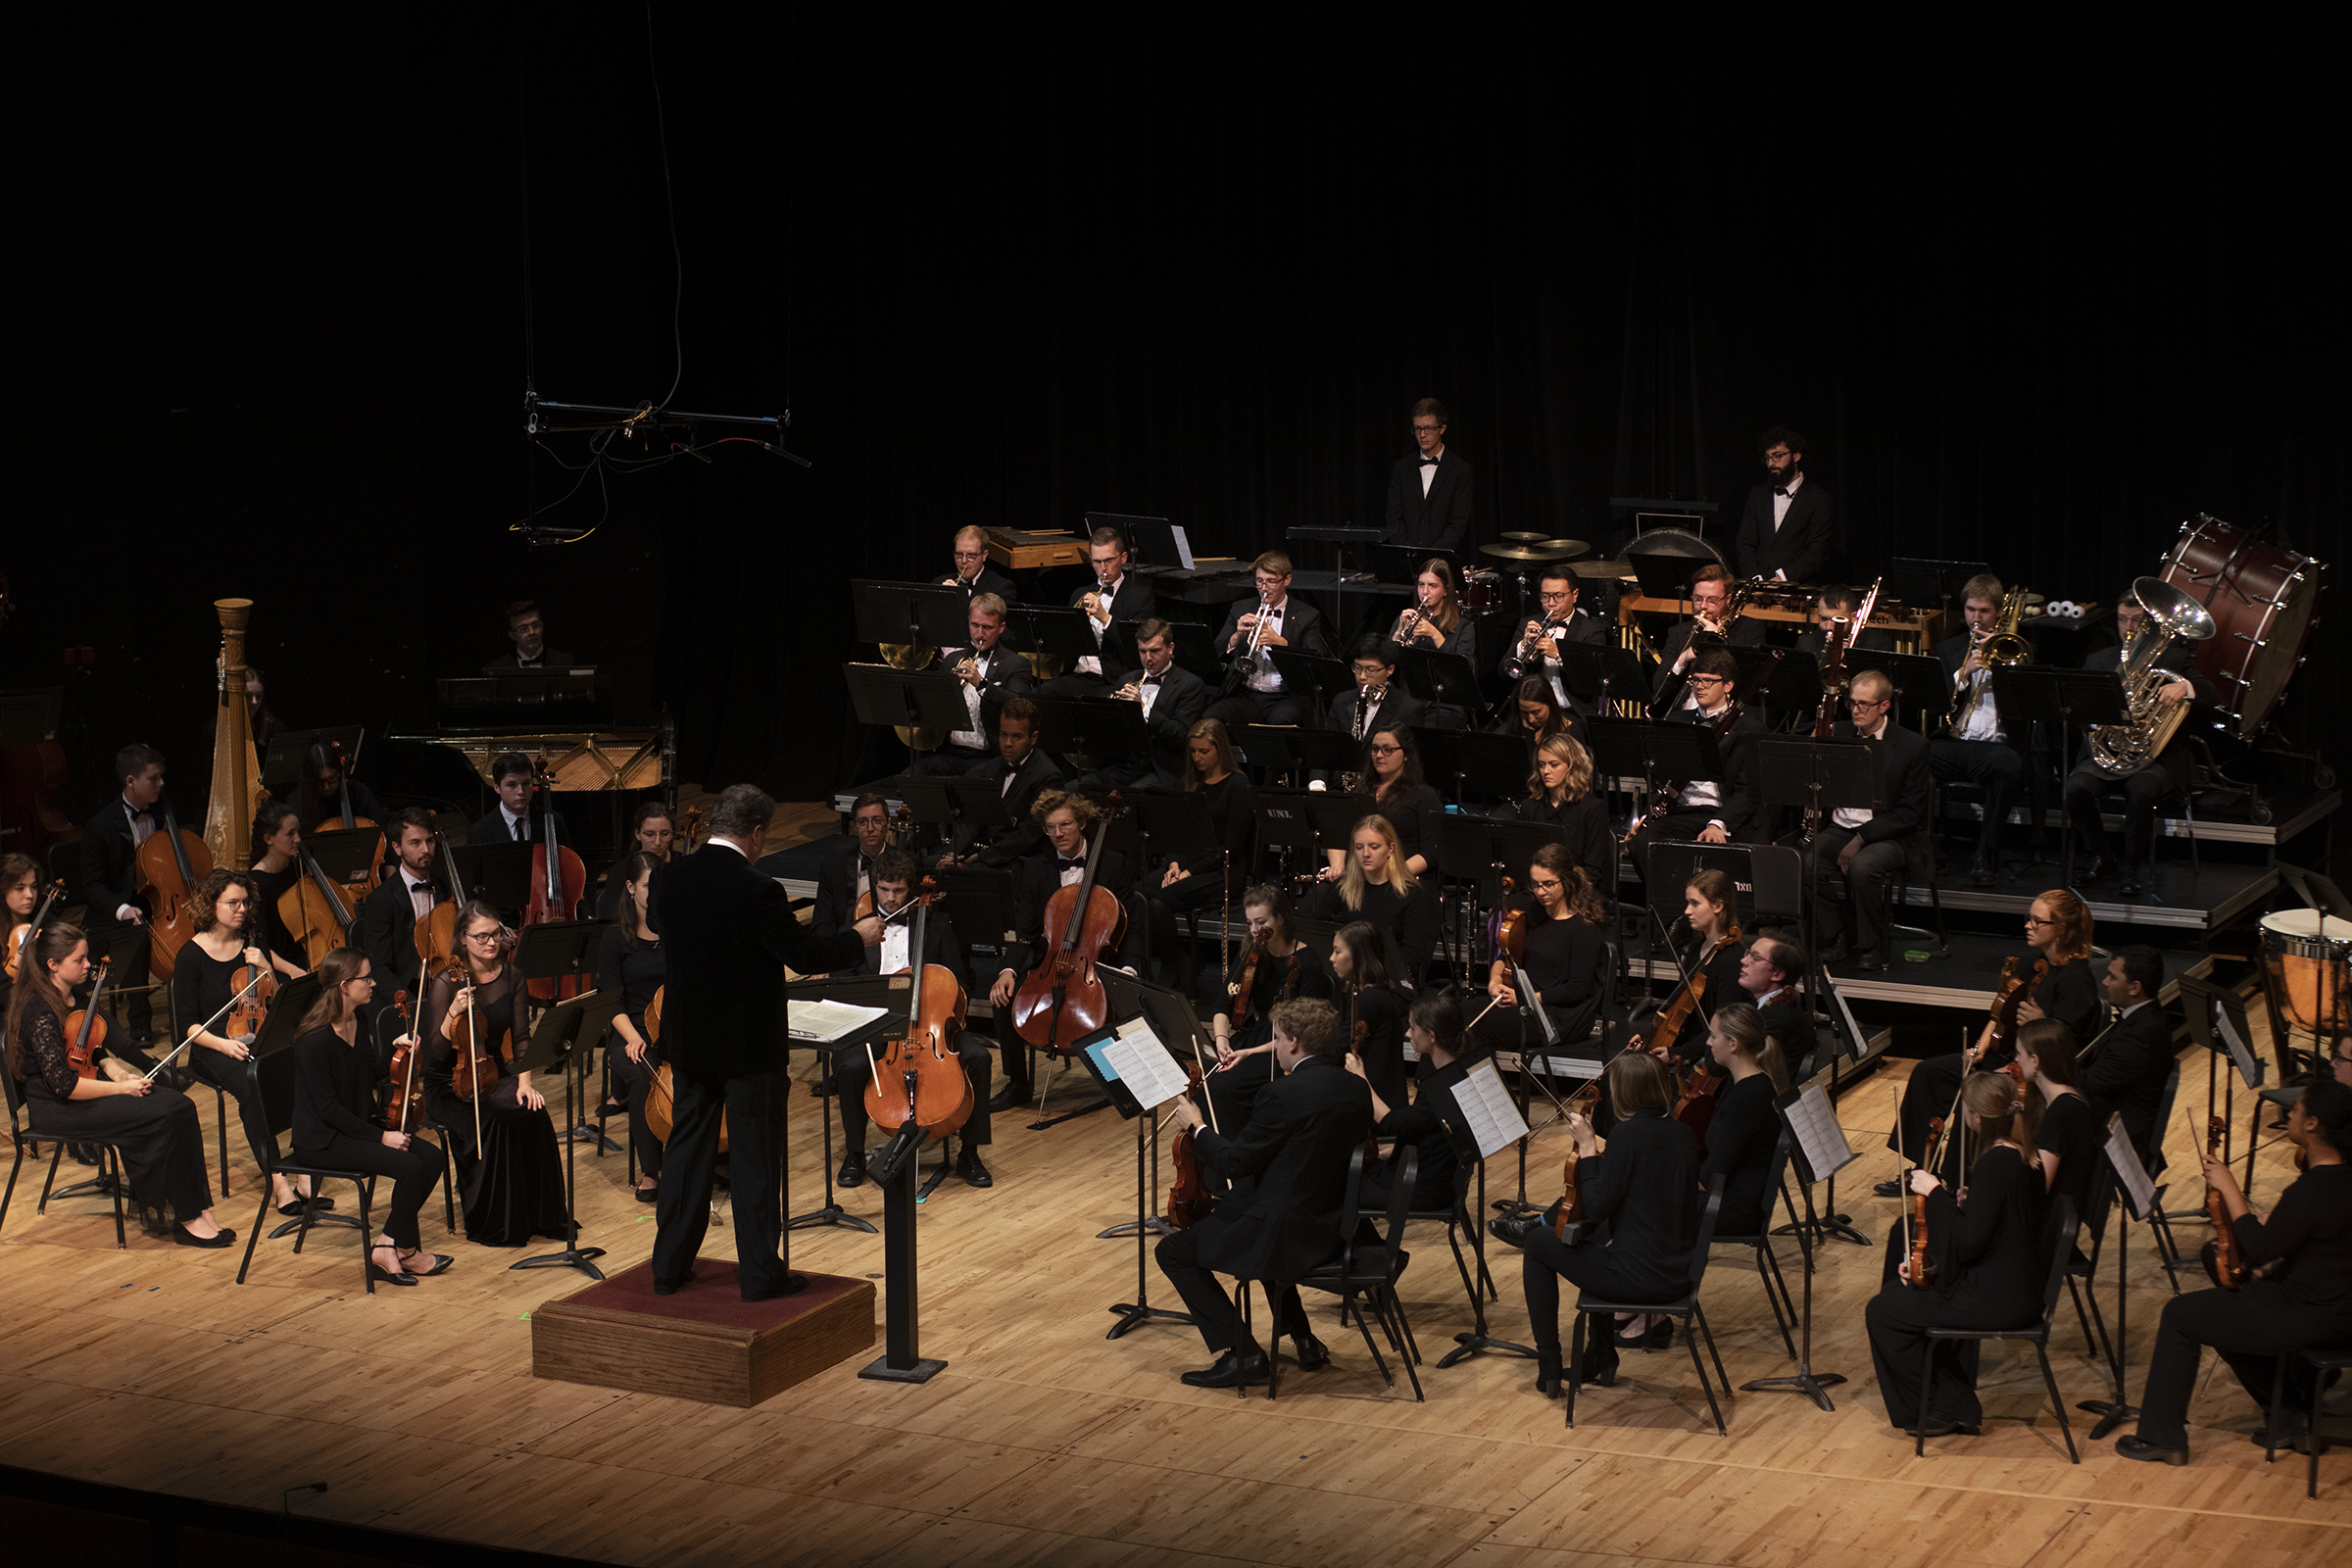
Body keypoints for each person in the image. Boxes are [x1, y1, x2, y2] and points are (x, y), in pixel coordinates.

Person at [647, 785, 879, 1299]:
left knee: (685, 1157)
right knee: (754, 1163)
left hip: (688, 1043)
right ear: (755, 833)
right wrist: (858, 938)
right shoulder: (758, 889)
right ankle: (758, 1276)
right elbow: (803, 954)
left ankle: (668, 1269)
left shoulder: (669, 877)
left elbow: (657, 924)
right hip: (748, 1050)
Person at [2117, 1077, 2352, 1465]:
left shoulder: (2313, 1190)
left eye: (2296, 1109)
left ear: (2312, 1124)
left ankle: (2163, 1437)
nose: (2290, 1113)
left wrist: (2231, 1190)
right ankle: (2290, 1416)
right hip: (2334, 1307)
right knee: (2221, 1307)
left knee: (2179, 1315)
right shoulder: (2341, 1178)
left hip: (2311, 1314)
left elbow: (2260, 1250)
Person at [1158, 997, 1375, 1387]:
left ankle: (1244, 1355)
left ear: (1293, 1042)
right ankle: (1304, 1339)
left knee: (1173, 1252)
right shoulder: (1357, 1088)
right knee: (1253, 1213)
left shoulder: (1281, 1096)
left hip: (1285, 1234)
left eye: (1276, 1039)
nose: (1274, 1048)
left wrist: (1197, 1127)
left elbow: (1235, 1163)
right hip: (1334, 1228)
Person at [4, 922, 230, 1247]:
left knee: (180, 1105)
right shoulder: (39, 1010)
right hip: (58, 1108)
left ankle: (196, 1210)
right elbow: (63, 1085)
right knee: (162, 1114)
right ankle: (186, 1216)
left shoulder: (74, 995)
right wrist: (120, 1089)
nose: (87, 965)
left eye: (86, 958)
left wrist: (119, 1072)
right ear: (53, 965)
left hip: (86, 1090)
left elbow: (90, 1048)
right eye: (79, 960)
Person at [1494, 1052, 1703, 1391]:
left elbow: (1595, 1207)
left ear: (1624, 1093)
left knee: (1537, 1243)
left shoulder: (1626, 1135)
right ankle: (1600, 1352)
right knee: (1587, 1237)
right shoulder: (1684, 1135)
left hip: (1638, 1280)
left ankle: (1549, 1360)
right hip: (1680, 1275)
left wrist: (1588, 1147)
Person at [1866, 1071, 2046, 1438]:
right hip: (2016, 1287)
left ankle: (1949, 1403)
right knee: (1899, 1298)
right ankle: (1953, 1399)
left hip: (1998, 1297)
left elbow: (1966, 1242)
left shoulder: (1995, 1163)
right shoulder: (2022, 1156)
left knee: (1883, 1312)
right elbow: (1993, 1224)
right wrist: (1969, 1203)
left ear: (1976, 1117)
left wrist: (1936, 1193)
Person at [1883, 890, 2100, 1183]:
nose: (2028, 925)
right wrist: (1978, 1049)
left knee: (1973, 1095)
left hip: (2035, 1073)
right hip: (2006, 1055)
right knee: (1928, 1072)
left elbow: (2066, 1047)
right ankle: (1923, 1166)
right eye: (2028, 918)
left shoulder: (2076, 979)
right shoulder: (2035, 962)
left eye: (2037, 921)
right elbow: (2000, 1014)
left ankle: (1956, 1181)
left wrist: (2041, 1022)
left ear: (2060, 928)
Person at [831, 852, 995, 1189]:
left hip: (931, 1023)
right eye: (884, 889)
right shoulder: (856, 931)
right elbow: (842, 982)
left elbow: (960, 981)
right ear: (874, 886)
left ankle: (970, 1152)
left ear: (911, 889)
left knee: (979, 1057)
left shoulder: (936, 926)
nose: (891, 898)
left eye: (899, 891)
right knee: (850, 1066)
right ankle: (855, 1154)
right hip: (876, 1024)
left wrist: (942, 1002)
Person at [290, 948, 451, 1286]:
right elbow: (328, 1110)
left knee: (433, 1157)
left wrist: (399, 1052)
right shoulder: (314, 1041)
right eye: (367, 978)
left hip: (354, 1125)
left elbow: (367, 1072)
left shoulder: (357, 1020)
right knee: (409, 1168)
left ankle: (392, 1245)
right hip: (322, 1139)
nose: (374, 983)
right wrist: (381, 1137)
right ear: (345, 985)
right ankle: (399, 1249)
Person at [419, 900, 566, 1247]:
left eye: (496, 934)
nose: (491, 942)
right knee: (494, 1119)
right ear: (463, 939)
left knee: (534, 1110)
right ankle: (496, 1222)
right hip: (446, 1083)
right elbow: (435, 1054)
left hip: (493, 1072)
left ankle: (539, 1216)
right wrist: (450, 1015)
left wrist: (525, 1083)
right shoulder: (446, 982)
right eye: (482, 936)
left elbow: (522, 1038)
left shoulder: (512, 976)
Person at [168, 869, 309, 1213]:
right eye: (232, 903)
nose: (241, 909)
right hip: (212, 1048)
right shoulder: (190, 955)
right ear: (210, 905)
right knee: (252, 1088)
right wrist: (224, 1045)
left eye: (245, 902)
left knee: (302, 1070)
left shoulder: (253, 943)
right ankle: (279, 1182)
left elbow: (273, 1000)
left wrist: (268, 970)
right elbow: (186, 1025)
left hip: (254, 1036)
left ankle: (305, 1170)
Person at [986, 790, 1137, 1110]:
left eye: (1065, 824)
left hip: (1101, 961)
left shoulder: (1112, 863)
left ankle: (1113, 1078)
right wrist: (1007, 970)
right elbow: (1025, 931)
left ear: (1082, 823)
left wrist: (1128, 968)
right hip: (1052, 962)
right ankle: (1018, 1085)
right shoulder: (1035, 868)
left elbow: (1130, 924)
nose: (1058, 834)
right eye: (1050, 827)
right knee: (1003, 997)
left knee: (1105, 1001)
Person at [2064, 586, 2218, 894]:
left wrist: (2185, 686)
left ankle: (2132, 868)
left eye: (2135, 621)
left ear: (2148, 624)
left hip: (2156, 759)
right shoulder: (2098, 660)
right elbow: (2077, 710)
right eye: (2122, 621)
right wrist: (2101, 720)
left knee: (2141, 790)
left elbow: (2213, 695)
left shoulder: (2173, 657)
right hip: (2108, 755)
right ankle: (2100, 855)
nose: (2128, 629)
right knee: (2074, 788)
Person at [1799, 668, 1933, 970]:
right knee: (1807, 862)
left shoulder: (1912, 746)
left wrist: (1862, 838)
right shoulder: (1838, 733)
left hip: (1891, 834)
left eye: (1864, 704)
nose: (1856, 710)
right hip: (1841, 828)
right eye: (1852, 703)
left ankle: (1872, 942)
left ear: (1884, 706)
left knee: (1863, 865)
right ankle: (1837, 933)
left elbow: (1909, 813)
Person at [1624, 651, 1766, 882]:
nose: (1700, 686)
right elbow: (1660, 779)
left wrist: (1719, 825)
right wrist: (1644, 818)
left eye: (1708, 680)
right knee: (1641, 843)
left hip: (1722, 814)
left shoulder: (1751, 729)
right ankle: (1669, 914)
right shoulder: (1677, 722)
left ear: (1728, 685)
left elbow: (1748, 790)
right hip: (1680, 812)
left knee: (1714, 854)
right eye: (1696, 680)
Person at [1205, 885, 1334, 1130]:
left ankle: (1238, 1154)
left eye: (1261, 922)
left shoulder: (1308, 963)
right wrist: (1221, 1040)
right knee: (1207, 1076)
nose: (1255, 930)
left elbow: (1304, 1034)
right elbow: (1223, 1002)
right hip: (1257, 1032)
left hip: (1287, 1045)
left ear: (1281, 918)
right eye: (1249, 923)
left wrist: (1250, 1053)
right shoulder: (1250, 953)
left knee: (1225, 1087)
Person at [1141, 720, 1252, 995]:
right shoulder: (1189, 783)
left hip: (1222, 872)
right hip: (1187, 866)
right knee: (1137, 893)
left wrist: (1190, 872)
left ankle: (1172, 966)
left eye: (1204, 751)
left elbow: (1232, 847)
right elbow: (1177, 834)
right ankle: (1159, 962)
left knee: (1160, 902)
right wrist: (1175, 864)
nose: (1197, 758)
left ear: (1220, 749)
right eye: (1193, 751)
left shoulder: (1238, 785)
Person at [1933, 573, 2029, 887]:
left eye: (1984, 611)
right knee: (1913, 759)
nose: (1976, 617)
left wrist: (2000, 667)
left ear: (1999, 612)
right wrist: (1964, 672)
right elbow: (1935, 699)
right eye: (1971, 609)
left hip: (1995, 748)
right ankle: (1923, 847)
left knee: (2006, 768)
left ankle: (1986, 854)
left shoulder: (2016, 650)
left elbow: (2027, 704)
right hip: (1955, 742)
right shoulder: (1949, 649)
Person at [1474, 847, 1608, 1061]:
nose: (1541, 892)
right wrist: (1494, 980)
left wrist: (1526, 1000)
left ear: (1566, 881)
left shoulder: (1584, 930)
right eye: (1535, 885)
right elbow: (1506, 956)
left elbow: (1576, 990)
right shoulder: (1533, 914)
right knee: (1450, 1016)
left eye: (1548, 884)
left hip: (1558, 1017)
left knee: (1480, 1029)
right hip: (1525, 1004)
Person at [76, 743, 172, 1045]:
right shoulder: (100, 826)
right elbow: (93, 885)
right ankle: (140, 1023)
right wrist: (122, 909)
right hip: (117, 905)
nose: (161, 784)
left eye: (161, 777)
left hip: (161, 898)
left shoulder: (162, 813)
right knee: (135, 935)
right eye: (153, 778)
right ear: (131, 781)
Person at [1348, 991, 1475, 1212]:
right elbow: (1428, 1133)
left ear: (1432, 1035)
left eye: (1413, 1028)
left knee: (1339, 1188)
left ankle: (1374, 1247)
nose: (1408, 1033)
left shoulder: (1441, 1087)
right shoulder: (1456, 1071)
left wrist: (1361, 1079)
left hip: (1422, 1186)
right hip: (1432, 1175)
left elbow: (1392, 1124)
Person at [594, 851, 666, 1204]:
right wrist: (635, 1037)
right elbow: (611, 1002)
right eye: (649, 886)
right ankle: (651, 1171)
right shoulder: (615, 939)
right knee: (642, 1079)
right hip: (629, 1033)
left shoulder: (675, 931)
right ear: (630, 888)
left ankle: (710, 1156)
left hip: (671, 1029)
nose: (656, 893)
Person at [1628, 870, 1746, 1072]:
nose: (1687, 911)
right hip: (1688, 1048)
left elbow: (1724, 1027)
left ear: (1718, 906)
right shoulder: (1694, 950)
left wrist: (1680, 1053)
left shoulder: (1732, 960)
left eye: (1695, 903)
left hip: (1710, 1060)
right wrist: (1651, 1041)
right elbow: (1683, 1016)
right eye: (1688, 903)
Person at [1205, 551, 1335, 731]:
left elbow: (1315, 663)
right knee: (1210, 719)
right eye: (1259, 581)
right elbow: (1215, 652)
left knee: (1280, 724)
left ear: (1287, 580)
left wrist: (1281, 643)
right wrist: (1236, 637)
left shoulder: (1307, 616)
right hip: (1246, 695)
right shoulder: (1240, 608)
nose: (1264, 588)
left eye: (1271, 581)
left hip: (1285, 698)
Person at [910, 593, 1036, 776]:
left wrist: (982, 684)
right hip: (949, 752)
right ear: (968, 621)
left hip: (990, 756)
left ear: (1001, 628)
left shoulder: (1016, 664)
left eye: (987, 627)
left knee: (969, 783)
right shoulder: (953, 659)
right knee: (910, 777)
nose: (979, 634)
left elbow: (1019, 706)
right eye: (975, 625)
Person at [1303, 815, 1439, 980]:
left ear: (1390, 849)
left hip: (1386, 979)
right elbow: (1321, 935)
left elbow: (1412, 957)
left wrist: (1365, 970)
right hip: (1347, 974)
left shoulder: (1410, 893)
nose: (1365, 854)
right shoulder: (1343, 887)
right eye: (1359, 847)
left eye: (1374, 847)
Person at [2074, 944, 2177, 1158]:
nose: (2105, 982)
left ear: (2134, 988)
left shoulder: (2140, 1036)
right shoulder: (2147, 1016)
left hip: (2119, 1140)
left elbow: (2088, 1084)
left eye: (2112, 977)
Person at [1078, 618, 1206, 790]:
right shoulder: (1127, 679)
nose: (1148, 659)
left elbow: (1182, 736)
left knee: (1132, 796)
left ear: (1170, 648)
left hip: (1161, 768)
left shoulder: (1190, 684)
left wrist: (1144, 709)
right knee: (1077, 788)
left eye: (1155, 651)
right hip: (1125, 765)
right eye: (1142, 651)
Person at [1698, 1004, 1793, 1236]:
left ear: (1733, 1044)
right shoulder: (1759, 1084)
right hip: (1737, 1201)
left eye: (1713, 1035)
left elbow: (1712, 1177)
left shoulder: (1746, 1100)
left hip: (1729, 1210)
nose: (1709, 1042)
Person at [1038, 527, 1153, 698]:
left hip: (1113, 681)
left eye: (1109, 560)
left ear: (1123, 558)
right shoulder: (1079, 594)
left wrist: (1105, 618)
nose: (1103, 568)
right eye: (1097, 561)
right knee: (1039, 695)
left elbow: (1138, 648)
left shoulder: (1140, 598)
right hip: (1076, 677)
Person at [945, 699, 1062, 868]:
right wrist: (953, 855)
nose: (1008, 743)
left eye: (1017, 736)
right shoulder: (991, 767)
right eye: (1003, 734)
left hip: (1018, 860)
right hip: (982, 853)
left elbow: (1028, 835)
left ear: (1033, 738)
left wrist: (978, 858)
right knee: (929, 865)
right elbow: (970, 820)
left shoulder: (1048, 776)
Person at [2013, 1019, 2102, 1234]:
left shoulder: (2061, 1113)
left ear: (2035, 1060)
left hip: (2048, 1229)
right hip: (2055, 1218)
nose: (2015, 1060)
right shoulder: (2072, 1096)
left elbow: (2039, 1187)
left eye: (2018, 1054)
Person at [360, 808, 444, 1031]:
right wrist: (410, 1003)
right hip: (408, 987)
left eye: (429, 841)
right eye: (415, 843)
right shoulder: (381, 900)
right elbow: (379, 966)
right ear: (397, 848)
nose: (425, 850)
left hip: (444, 982)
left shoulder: (446, 887)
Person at [1322, 727, 1443, 879]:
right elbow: (1339, 836)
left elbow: (1432, 851)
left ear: (1406, 754)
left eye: (1387, 750)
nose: (1379, 755)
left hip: (1401, 879)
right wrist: (1337, 866)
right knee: (1317, 897)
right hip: (1359, 878)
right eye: (1375, 749)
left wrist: (1392, 875)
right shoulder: (1361, 791)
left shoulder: (1423, 795)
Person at [1510, 732, 1616, 902]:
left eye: (1554, 765)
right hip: (1538, 891)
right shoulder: (1530, 807)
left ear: (1572, 766)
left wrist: (1558, 892)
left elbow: (1593, 871)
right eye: (1541, 765)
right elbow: (1522, 861)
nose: (1546, 771)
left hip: (1579, 891)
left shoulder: (1592, 808)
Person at [1650, 564, 1765, 709]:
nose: (1703, 606)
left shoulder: (1750, 628)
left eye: (1711, 600)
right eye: (1698, 599)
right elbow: (1659, 689)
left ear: (1728, 598)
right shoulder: (1678, 633)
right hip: (1685, 714)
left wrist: (1719, 643)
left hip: (1731, 714)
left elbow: (1750, 683)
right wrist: (1682, 659)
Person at [1503, 567, 1609, 715]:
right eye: (1545, 596)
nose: (1550, 603)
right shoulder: (1528, 623)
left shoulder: (1591, 630)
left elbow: (1593, 680)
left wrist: (1559, 655)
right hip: (1532, 711)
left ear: (1575, 595)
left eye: (1558, 596)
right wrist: (1523, 646)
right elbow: (1504, 673)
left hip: (1572, 712)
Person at [1735, 427, 1835, 584]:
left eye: (1777, 456)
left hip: (1797, 589)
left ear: (1796, 456)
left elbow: (1817, 551)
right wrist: (1756, 578)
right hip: (1757, 586)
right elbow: (1745, 542)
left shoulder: (1818, 499)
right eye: (1767, 458)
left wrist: (1782, 577)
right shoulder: (1758, 494)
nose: (1770, 463)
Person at [1331, 919, 1411, 1112]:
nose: (1331, 958)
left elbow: (1342, 1051)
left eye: (1337, 951)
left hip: (1375, 1104)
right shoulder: (1368, 992)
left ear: (1358, 956)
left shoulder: (1369, 999)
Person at [1384, 397, 1473, 553]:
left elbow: (1458, 522)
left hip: (1443, 560)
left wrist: (1432, 555)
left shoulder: (1461, 470)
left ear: (1442, 428)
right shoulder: (1401, 468)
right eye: (1417, 428)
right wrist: (1410, 551)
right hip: (1407, 556)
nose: (1422, 435)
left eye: (1428, 428)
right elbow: (1393, 518)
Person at [814, 794, 898, 938]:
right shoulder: (834, 867)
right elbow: (822, 924)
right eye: (863, 822)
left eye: (877, 821)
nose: (870, 828)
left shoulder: (907, 862)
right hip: (850, 944)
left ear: (888, 823)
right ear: (853, 827)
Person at [1324, 639, 1426, 752]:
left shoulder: (1409, 709)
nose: (1362, 676)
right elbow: (1326, 751)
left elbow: (1410, 757)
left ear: (1390, 670)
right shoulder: (1341, 701)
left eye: (1370, 670)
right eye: (1358, 668)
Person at [245, 801, 311, 971]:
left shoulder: (297, 868)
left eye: (298, 832)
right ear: (268, 839)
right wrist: (293, 971)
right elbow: (261, 945)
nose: (298, 839)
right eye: (290, 834)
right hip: (279, 965)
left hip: (305, 954)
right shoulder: (256, 883)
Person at [1391, 556, 1479, 679]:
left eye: (1432, 586)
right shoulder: (1407, 620)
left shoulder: (1463, 627)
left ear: (1445, 590)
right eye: (1421, 584)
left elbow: (1464, 671)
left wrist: (1435, 635)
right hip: (1409, 694)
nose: (1425, 591)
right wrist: (1399, 633)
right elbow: (1385, 664)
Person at [1738, 935, 1816, 1072]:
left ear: (1777, 975)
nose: (1744, 960)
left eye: (1756, 958)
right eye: (1748, 953)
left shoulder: (1775, 1017)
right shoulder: (1774, 1007)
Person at [595, 801, 679, 920]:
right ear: (638, 834)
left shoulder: (682, 864)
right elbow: (612, 920)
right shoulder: (619, 873)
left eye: (665, 834)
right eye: (650, 834)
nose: (658, 842)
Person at [1489, 676, 1589, 767]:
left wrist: (1529, 735)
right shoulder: (1516, 725)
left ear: (1550, 704)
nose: (1531, 719)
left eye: (1536, 712)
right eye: (1524, 712)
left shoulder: (1572, 732)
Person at [292, 741, 384, 833]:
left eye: (332, 778)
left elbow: (381, 829)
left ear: (339, 772)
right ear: (310, 778)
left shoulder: (358, 792)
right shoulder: (297, 802)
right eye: (320, 781)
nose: (327, 786)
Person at [1794, 584, 1892, 659]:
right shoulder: (1806, 644)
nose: (1828, 626)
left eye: (1836, 619)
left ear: (1854, 617)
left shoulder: (1878, 645)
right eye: (1823, 619)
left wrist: (1849, 658)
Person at [466, 753, 539, 845]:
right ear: (497, 787)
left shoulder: (553, 821)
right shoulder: (478, 832)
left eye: (526, 783)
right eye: (512, 785)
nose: (521, 791)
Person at [938, 524, 1019, 606]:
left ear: (984, 555)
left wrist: (960, 598)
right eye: (959, 554)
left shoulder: (1001, 588)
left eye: (971, 555)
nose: (964, 560)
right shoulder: (938, 583)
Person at [484, 600, 572, 672]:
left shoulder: (565, 662)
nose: (532, 632)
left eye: (535, 625)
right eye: (523, 629)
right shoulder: (497, 668)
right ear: (512, 635)